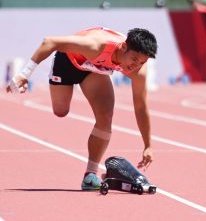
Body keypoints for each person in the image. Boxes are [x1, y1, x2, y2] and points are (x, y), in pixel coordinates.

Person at [6, 26, 158, 190]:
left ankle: (90, 176)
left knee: (106, 116)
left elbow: (141, 107)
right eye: (134, 59)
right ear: (123, 47)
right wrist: (24, 74)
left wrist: (147, 145)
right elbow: (49, 42)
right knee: (60, 111)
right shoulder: (95, 45)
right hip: (68, 62)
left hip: (94, 71)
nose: (135, 65)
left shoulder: (139, 70)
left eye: (142, 62)